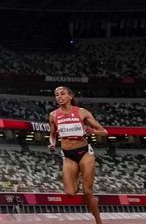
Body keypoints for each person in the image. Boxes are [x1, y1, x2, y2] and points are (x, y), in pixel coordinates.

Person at [48, 86, 107, 224]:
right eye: (56, 95)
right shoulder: (53, 115)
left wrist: (92, 131)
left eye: (62, 94)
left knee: (87, 192)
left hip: (85, 153)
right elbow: (52, 135)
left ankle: (98, 221)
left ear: (70, 96)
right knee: (70, 192)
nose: (59, 97)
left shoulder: (81, 112)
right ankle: (81, 182)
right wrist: (52, 144)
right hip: (68, 155)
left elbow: (104, 132)